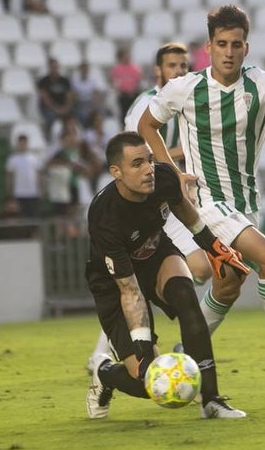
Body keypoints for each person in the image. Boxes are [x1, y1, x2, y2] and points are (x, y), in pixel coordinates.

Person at [139, 4, 265, 390]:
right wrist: (171, 173)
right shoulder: (186, 88)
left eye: (237, 44)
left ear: (247, 48)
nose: (229, 51)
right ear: (208, 48)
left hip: (245, 203)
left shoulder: (264, 84)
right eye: (222, 44)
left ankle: (186, 351)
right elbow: (147, 124)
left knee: (227, 283)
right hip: (207, 203)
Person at [85, 132, 249, 420]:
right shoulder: (104, 215)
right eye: (137, 164)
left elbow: (184, 209)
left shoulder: (163, 177)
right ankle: (104, 372)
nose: (149, 168)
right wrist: (144, 349)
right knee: (148, 383)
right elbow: (129, 291)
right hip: (113, 283)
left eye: (149, 159)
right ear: (116, 173)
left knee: (185, 295)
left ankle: (211, 400)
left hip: (154, 252)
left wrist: (214, 247)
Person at [87, 43, 215, 373]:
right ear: (158, 71)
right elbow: (135, 151)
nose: (179, 71)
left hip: (164, 200)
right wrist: (173, 163)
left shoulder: (193, 100)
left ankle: (190, 346)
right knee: (130, 290)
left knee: (200, 270)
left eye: (184, 65)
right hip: (144, 198)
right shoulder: (145, 105)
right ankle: (108, 354)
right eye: (172, 65)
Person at [37, 58, 77, 138]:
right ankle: (49, 137)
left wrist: (65, 108)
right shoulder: (43, 81)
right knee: (50, 117)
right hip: (49, 108)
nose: (54, 69)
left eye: (56, 67)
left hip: (63, 107)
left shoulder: (64, 81)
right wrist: (56, 109)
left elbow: (69, 97)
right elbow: (45, 99)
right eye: (52, 67)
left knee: (74, 115)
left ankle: (72, 136)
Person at [5, 134, 42, 219]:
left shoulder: (34, 158)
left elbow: (38, 175)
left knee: (33, 217)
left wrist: (40, 190)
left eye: (24, 143)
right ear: (18, 144)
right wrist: (9, 192)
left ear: (27, 144)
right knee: (21, 217)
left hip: (32, 193)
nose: (22, 145)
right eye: (20, 143)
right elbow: (9, 177)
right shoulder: (12, 159)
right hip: (19, 193)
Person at [110, 48, 143, 117]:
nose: (127, 57)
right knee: (124, 115)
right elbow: (115, 83)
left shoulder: (134, 67)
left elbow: (138, 80)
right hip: (123, 95)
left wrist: (133, 90)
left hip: (133, 94)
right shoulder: (117, 69)